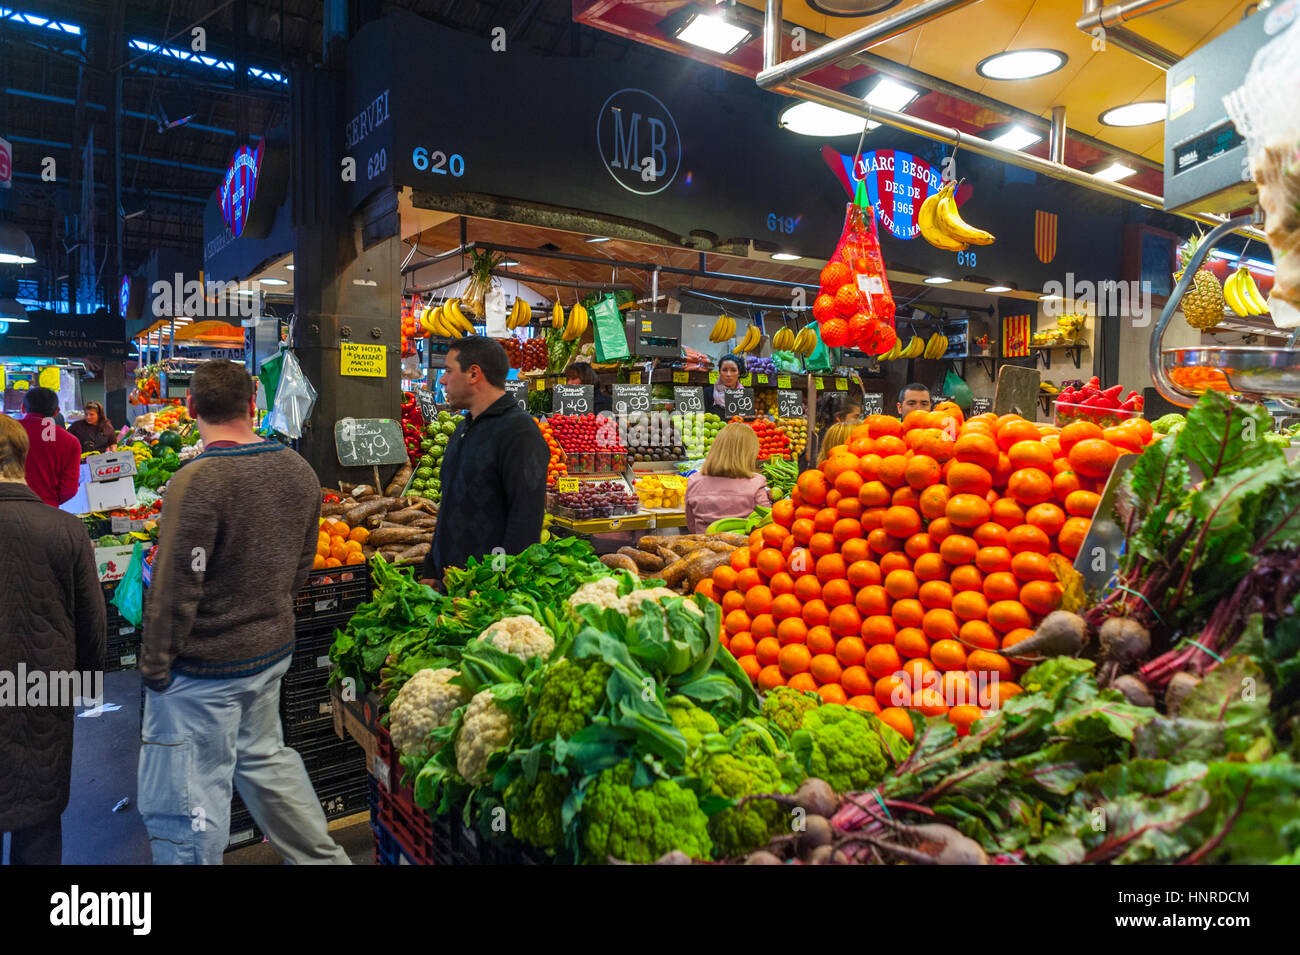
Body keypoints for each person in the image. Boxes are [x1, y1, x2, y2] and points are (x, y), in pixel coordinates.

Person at [138, 360, 350, 865]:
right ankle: (325, 860)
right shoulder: (299, 471)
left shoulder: (197, 481)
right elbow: (301, 567)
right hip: (269, 654)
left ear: (190, 408)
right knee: (267, 764)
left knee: (189, 800)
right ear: (253, 403)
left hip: (203, 669)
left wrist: (155, 665)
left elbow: (174, 589)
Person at [0, 414, 106, 864]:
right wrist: (87, 688)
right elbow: (92, 621)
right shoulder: (67, 530)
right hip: (44, 691)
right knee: (38, 822)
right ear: (24, 458)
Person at [421, 337, 549, 586]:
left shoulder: (520, 433)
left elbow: (525, 522)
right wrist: (432, 567)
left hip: (485, 593)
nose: (443, 380)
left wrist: (496, 583)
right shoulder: (461, 429)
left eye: (448, 371)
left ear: (473, 374)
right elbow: (449, 505)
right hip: (450, 585)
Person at [684, 422, 771, 534]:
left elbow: (691, 526)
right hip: (743, 549)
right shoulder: (756, 483)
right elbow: (767, 523)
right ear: (749, 453)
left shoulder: (694, 481)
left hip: (705, 547)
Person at [17, 387, 82, 507]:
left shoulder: (5, 433)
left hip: (7, 512)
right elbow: (69, 489)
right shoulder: (70, 442)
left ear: (23, 408)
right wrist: (49, 500)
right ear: (56, 412)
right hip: (47, 511)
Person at [706, 353, 744, 418]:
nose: (728, 374)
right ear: (719, 372)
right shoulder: (707, 393)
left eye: (733, 370)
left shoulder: (745, 395)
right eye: (725, 370)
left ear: (739, 373)